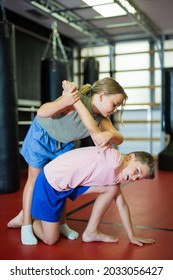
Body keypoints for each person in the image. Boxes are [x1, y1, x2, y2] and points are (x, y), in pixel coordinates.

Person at [7, 77, 128, 245]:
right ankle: (26, 225)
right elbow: (42, 112)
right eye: (115, 104)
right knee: (34, 179)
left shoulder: (101, 118)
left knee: (62, 183)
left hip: (63, 145)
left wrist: (110, 134)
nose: (115, 109)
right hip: (42, 137)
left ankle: (62, 223)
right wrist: (64, 100)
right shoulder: (76, 99)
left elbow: (119, 138)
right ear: (101, 96)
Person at [31, 144, 155, 246]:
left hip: (68, 185)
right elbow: (98, 136)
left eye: (138, 178)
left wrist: (131, 235)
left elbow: (122, 204)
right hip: (50, 183)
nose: (133, 178)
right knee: (50, 240)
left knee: (112, 189)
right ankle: (32, 219)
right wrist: (111, 132)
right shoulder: (114, 158)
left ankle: (91, 232)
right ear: (130, 157)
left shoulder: (117, 177)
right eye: (137, 171)